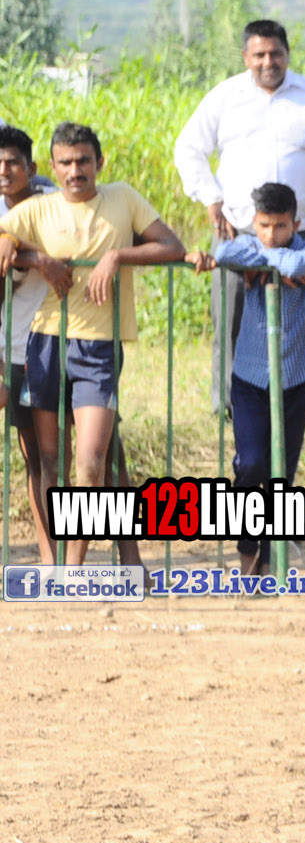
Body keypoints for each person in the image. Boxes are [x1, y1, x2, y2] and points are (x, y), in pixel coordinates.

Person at [0, 123, 186, 566]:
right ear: (54, 166)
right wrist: (29, 254)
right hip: (41, 345)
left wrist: (116, 256)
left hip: (97, 347)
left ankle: (77, 568)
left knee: (93, 460)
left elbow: (168, 245)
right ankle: (59, 566)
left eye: (83, 160)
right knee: (47, 462)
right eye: (66, 162)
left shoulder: (117, 198)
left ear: (99, 162)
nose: (75, 170)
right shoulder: (36, 210)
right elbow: (6, 238)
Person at [174, 18, 305, 425]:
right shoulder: (225, 97)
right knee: (231, 318)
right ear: (246, 57)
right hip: (239, 231)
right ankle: (228, 404)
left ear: (287, 54)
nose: (268, 62)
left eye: (275, 53)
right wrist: (211, 198)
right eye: (259, 54)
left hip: (304, 233)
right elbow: (188, 148)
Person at [185, 183, 305, 574]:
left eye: (281, 226)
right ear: (254, 221)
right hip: (250, 377)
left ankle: (268, 561)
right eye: (264, 225)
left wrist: (269, 266)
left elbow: (302, 262)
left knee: (282, 473)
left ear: (295, 223)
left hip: (295, 379)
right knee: (250, 465)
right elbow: (224, 253)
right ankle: (247, 552)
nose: (271, 234)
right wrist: (274, 264)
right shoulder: (248, 247)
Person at [0, 125, 59, 561]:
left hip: (62, 345)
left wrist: (26, 250)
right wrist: (32, 256)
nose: (4, 171)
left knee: (92, 457)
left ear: (32, 168)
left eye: (12, 163)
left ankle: (123, 557)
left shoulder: (55, 203)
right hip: (15, 349)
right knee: (34, 457)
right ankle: (49, 556)